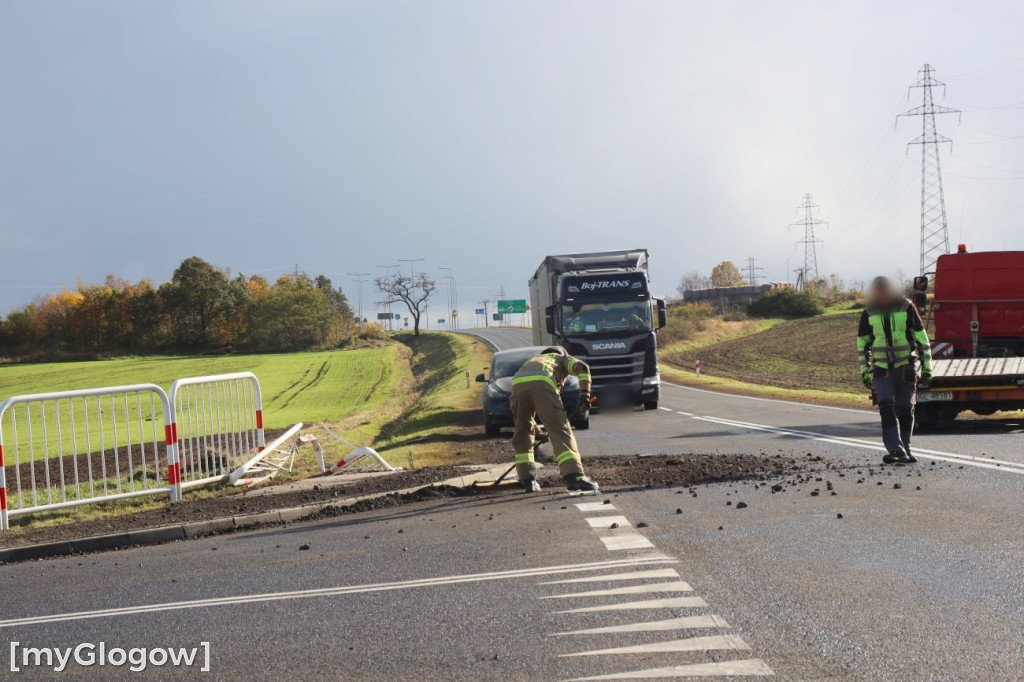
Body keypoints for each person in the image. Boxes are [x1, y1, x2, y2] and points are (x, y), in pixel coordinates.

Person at [857, 276, 932, 464]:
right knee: (886, 406)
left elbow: (922, 340)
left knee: (906, 409)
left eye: (885, 290)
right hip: (882, 370)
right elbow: (862, 345)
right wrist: (865, 371)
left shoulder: (906, 307)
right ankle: (895, 449)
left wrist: (927, 369)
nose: (882, 295)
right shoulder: (869, 312)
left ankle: (905, 448)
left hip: (906, 366)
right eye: (878, 291)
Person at [510, 347, 599, 492]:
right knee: (560, 430)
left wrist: (537, 431)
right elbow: (583, 368)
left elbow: (529, 393)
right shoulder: (561, 359)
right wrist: (585, 396)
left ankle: (527, 480)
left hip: (517, 385)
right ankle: (574, 477)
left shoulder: (533, 361)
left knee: (523, 431)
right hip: (543, 383)